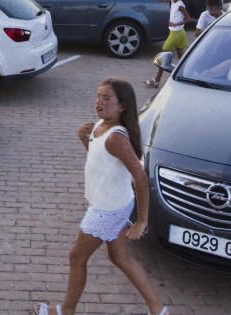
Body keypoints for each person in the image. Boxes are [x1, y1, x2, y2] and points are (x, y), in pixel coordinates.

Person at [37, 79, 167, 315]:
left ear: (122, 106)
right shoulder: (101, 126)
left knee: (76, 257)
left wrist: (142, 221)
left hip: (108, 208)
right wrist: (85, 140)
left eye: (107, 98)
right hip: (113, 202)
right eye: (98, 96)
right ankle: (158, 309)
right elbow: (104, 163)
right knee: (120, 256)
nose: (99, 102)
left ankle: (65, 311)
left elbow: (140, 176)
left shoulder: (117, 137)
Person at [144, 0, 190, 88]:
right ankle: (187, 76)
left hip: (176, 33)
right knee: (181, 58)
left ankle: (156, 81)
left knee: (163, 58)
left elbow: (188, 18)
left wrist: (176, 24)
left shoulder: (180, 4)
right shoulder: (172, 1)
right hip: (178, 33)